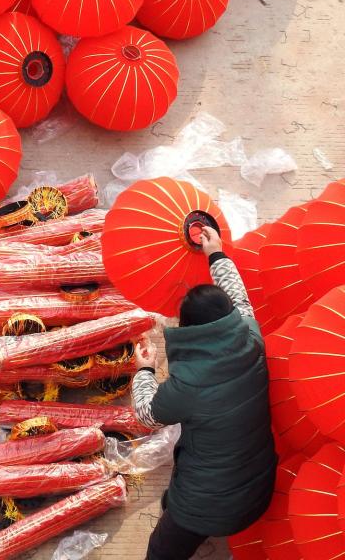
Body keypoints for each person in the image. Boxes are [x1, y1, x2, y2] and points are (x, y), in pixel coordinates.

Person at [132, 226, 277, 560]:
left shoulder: (187, 385)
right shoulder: (251, 335)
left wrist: (144, 370)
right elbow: (238, 297)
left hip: (207, 507)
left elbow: (147, 414)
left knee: (161, 551)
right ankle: (177, 504)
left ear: (188, 330)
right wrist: (216, 254)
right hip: (258, 487)